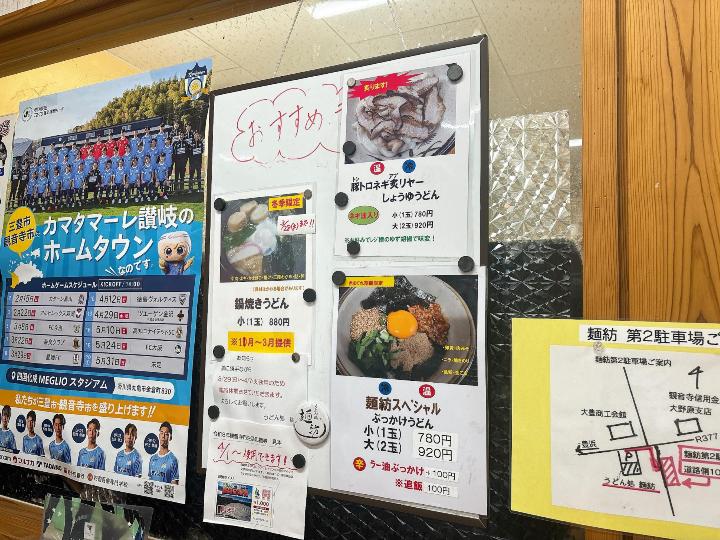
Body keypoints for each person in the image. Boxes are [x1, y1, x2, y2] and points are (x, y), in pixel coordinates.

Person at [172, 124, 188, 192]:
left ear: (183, 136)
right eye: (180, 135)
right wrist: (175, 161)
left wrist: (185, 161)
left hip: (183, 163)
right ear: (178, 136)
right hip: (177, 163)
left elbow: (187, 153)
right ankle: (176, 189)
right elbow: (174, 153)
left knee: (182, 177)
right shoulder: (175, 143)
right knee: (176, 177)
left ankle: (182, 189)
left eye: (182, 135)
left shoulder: (186, 143)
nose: (181, 136)